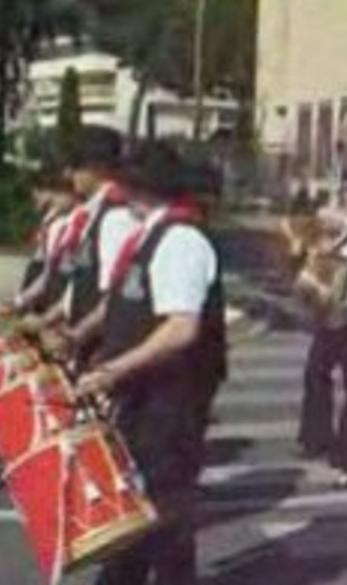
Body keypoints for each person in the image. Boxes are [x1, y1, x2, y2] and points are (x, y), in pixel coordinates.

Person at [77, 141, 227, 585]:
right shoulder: (148, 237)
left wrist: (115, 369)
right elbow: (122, 302)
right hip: (144, 393)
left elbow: (181, 328)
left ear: (138, 190)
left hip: (171, 398)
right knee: (139, 506)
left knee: (166, 512)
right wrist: (79, 336)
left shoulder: (182, 240)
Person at [291, 170, 347, 486]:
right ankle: (317, 437)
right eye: (345, 191)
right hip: (331, 313)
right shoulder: (341, 226)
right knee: (316, 372)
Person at [41, 127, 139, 366]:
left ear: (97, 167)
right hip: (85, 343)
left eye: (75, 165)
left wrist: (76, 336)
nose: (68, 173)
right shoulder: (94, 213)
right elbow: (81, 283)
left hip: (102, 349)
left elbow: (114, 298)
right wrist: (49, 320)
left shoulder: (116, 217)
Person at [9, 170, 77, 315]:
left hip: (61, 301)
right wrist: (20, 300)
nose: (55, 199)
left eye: (61, 193)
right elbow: (48, 272)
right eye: (55, 192)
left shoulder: (72, 225)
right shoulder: (54, 223)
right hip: (47, 291)